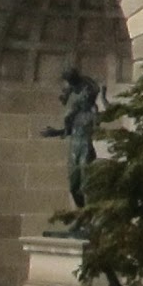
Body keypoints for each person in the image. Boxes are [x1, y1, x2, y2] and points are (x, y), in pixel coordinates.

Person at [40, 68, 102, 208]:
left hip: (86, 148)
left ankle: (89, 212)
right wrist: (55, 132)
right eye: (83, 96)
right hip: (74, 149)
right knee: (73, 187)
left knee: (86, 183)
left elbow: (98, 126)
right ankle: (82, 212)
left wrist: (102, 97)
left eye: (86, 96)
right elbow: (69, 131)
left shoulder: (92, 113)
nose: (84, 98)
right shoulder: (75, 116)